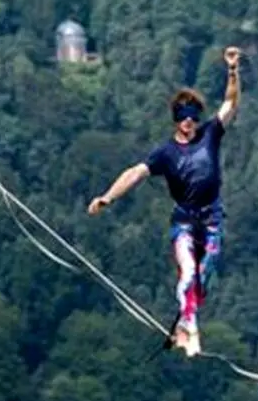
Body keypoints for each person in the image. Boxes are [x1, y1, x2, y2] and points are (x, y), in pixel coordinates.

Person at [87, 46, 242, 356]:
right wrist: (108, 197)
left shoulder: (210, 133)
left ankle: (186, 324)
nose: (189, 123)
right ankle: (190, 328)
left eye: (193, 118)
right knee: (187, 274)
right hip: (185, 221)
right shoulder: (165, 153)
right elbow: (135, 173)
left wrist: (233, 70)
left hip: (212, 219)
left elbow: (231, 102)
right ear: (176, 120)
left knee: (202, 277)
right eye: (184, 118)